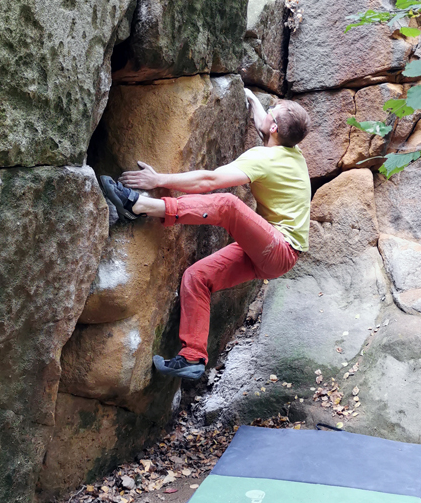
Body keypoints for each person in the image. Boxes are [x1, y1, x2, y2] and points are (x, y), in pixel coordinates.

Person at [99, 88, 312, 380]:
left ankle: (141, 205)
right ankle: (192, 357)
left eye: (271, 110)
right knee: (197, 277)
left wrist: (158, 179)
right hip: (268, 253)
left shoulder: (265, 159)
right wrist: (250, 97)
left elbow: (209, 180)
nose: (267, 110)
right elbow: (265, 120)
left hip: (279, 248)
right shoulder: (291, 150)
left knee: (227, 204)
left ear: (274, 128)